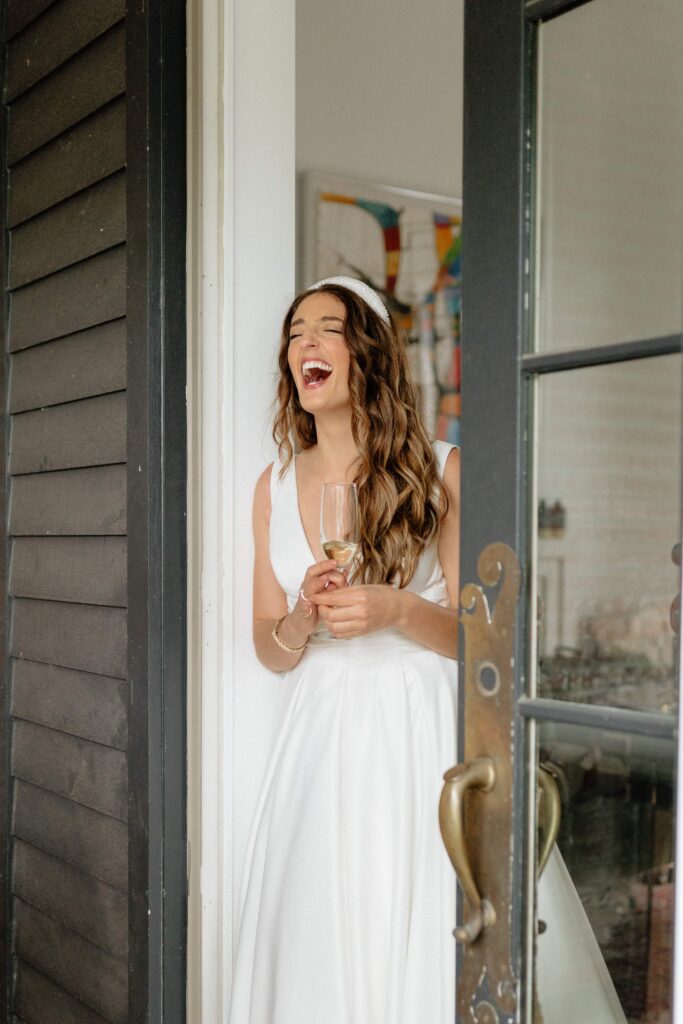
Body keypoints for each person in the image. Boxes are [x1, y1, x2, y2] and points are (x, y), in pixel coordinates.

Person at [228, 276, 460, 1024]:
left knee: (409, 909)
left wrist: (395, 608)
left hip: (414, 721)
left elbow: (484, 638)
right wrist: (300, 619)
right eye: (296, 333)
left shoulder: (442, 470)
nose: (306, 344)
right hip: (319, 734)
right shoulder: (272, 484)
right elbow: (269, 650)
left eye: (327, 329)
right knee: (315, 920)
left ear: (367, 354)